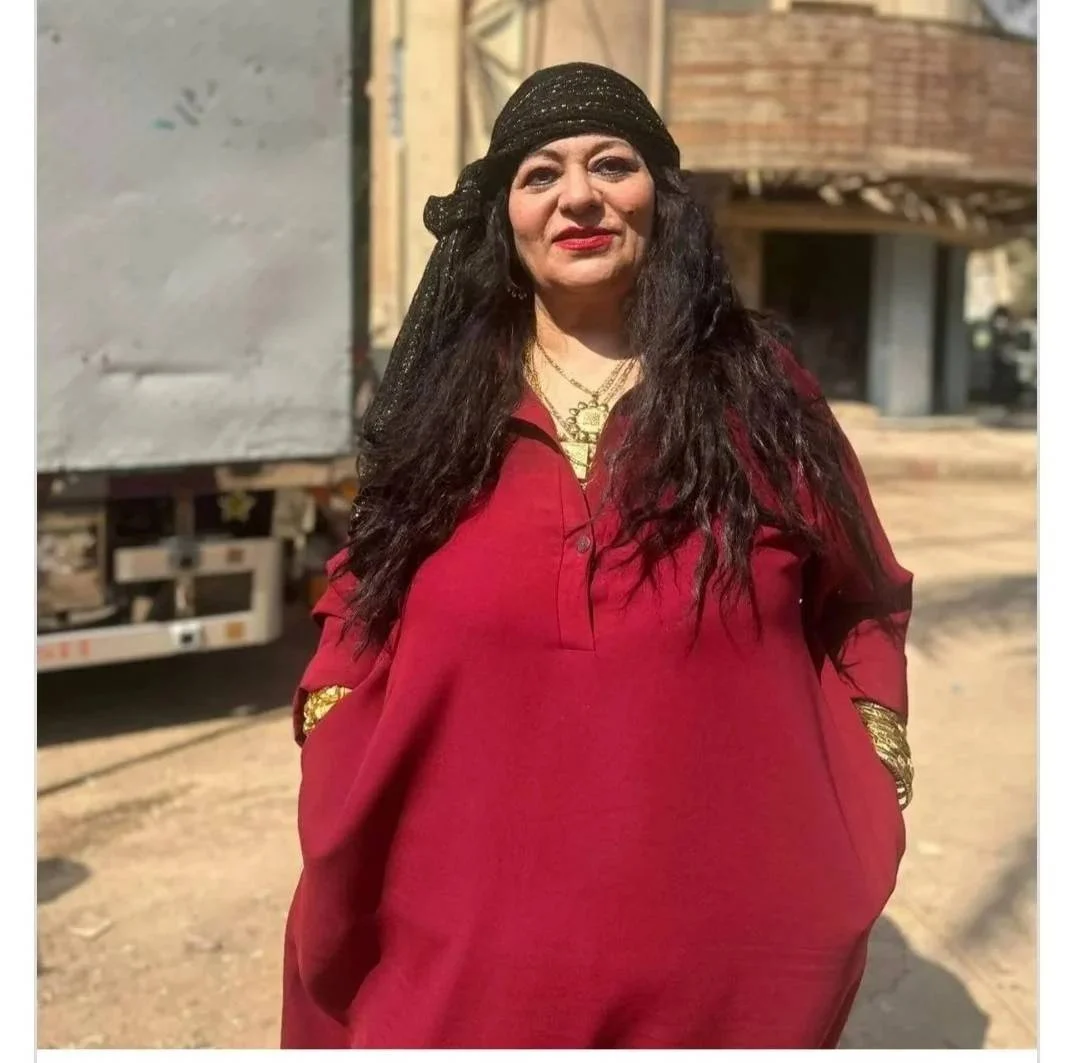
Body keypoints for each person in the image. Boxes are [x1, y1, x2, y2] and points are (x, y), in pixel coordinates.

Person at [281, 62, 914, 1050]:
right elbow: (362, 584)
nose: (577, 196)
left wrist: (872, 743)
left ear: (662, 197)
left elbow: (862, 591)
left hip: (724, 945)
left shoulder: (759, 392)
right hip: (459, 935)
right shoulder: (443, 403)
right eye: (540, 174)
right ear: (504, 217)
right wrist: (332, 712)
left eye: (611, 165)